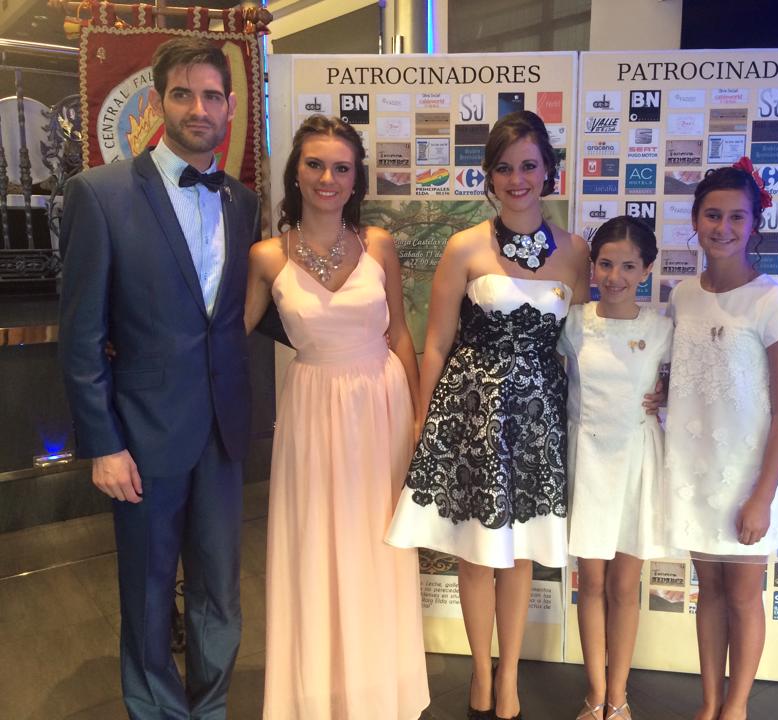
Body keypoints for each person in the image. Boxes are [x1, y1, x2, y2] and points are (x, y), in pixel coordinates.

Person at [57, 38, 259, 719]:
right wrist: (103, 444)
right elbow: (81, 337)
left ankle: (210, 707)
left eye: (211, 96)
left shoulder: (243, 202)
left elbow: (235, 315)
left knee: (220, 590)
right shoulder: (100, 194)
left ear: (229, 107)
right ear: (157, 101)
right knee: (147, 592)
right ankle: (156, 711)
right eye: (183, 94)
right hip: (142, 435)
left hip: (223, 430)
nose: (198, 108)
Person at [387, 110, 591, 720]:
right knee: (477, 554)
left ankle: (510, 678)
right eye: (504, 168)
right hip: (471, 413)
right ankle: (481, 672)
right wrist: (423, 418)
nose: (516, 179)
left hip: (536, 420)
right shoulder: (465, 245)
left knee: (520, 554)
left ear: (548, 171)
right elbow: (437, 342)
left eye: (528, 165)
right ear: (489, 176)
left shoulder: (577, 252)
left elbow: (586, 343)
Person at [244, 114, 430, 719]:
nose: (328, 178)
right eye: (316, 165)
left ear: (356, 179)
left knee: (378, 545)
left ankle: (380, 692)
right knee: (316, 544)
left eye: (341, 168)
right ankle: (319, 695)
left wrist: (415, 420)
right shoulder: (266, 256)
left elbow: (399, 334)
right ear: (296, 173)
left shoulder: (379, 244)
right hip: (312, 410)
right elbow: (225, 335)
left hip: (381, 405)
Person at [662, 158, 778, 720]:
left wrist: (762, 496)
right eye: (712, 214)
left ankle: (736, 707)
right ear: (696, 219)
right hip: (695, 469)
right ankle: (709, 703)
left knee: (744, 596)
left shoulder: (773, 301)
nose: (723, 227)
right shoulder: (682, 295)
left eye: (736, 217)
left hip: (748, 475)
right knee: (710, 592)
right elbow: (690, 373)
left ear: (753, 224)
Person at [558, 216, 672, 720]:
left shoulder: (662, 328)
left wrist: (667, 393)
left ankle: (619, 696)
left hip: (637, 463)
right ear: (593, 266)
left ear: (646, 270)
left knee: (625, 586)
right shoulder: (574, 323)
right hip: (587, 463)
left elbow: (690, 383)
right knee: (591, 583)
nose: (615, 276)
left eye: (628, 266)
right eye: (606, 264)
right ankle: (595, 693)